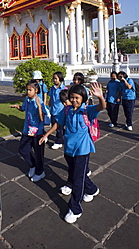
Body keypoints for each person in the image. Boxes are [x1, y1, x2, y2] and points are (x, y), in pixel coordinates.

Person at [40, 82, 106, 223]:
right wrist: (46, 134)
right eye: (72, 97)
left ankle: (75, 209)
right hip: (69, 148)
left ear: (83, 98)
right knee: (77, 173)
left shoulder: (88, 110)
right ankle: (92, 189)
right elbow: (59, 124)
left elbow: (102, 107)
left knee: (77, 179)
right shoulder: (67, 110)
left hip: (83, 149)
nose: (74, 100)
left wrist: (100, 97)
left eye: (77, 97)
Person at [11, 80, 45, 182]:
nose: (28, 92)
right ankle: (32, 165)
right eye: (27, 90)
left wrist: (39, 106)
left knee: (39, 154)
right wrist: (18, 107)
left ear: (36, 90)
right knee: (23, 150)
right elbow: (24, 108)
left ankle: (40, 172)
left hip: (37, 132)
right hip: (27, 130)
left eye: (30, 90)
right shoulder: (27, 100)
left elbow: (42, 118)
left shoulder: (39, 101)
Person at [48, 71, 66, 150]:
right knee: (54, 126)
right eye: (53, 78)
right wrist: (48, 104)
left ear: (60, 79)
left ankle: (58, 142)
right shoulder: (52, 88)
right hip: (53, 110)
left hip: (61, 111)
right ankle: (63, 136)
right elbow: (51, 97)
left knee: (58, 128)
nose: (54, 80)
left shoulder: (64, 89)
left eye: (56, 78)